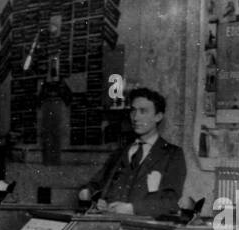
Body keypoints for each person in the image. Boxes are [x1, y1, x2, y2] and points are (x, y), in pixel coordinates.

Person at [78, 87, 186, 216]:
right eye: (133, 111)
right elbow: (94, 185)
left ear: (158, 116)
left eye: (143, 111)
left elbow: (170, 202)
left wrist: (132, 208)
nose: (135, 118)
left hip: (143, 229)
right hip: (108, 223)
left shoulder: (172, 154)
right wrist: (90, 197)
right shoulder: (120, 151)